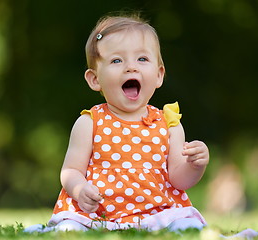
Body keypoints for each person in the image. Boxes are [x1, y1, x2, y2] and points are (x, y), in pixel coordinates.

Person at [26, 14, 210, 232]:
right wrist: (79, 189)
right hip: (95, 213)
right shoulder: (89, 122)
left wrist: (195, 165)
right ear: (95, 79)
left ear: (159, 75)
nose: (131, 67)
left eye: (142, 59)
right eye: (116, 60)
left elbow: (178, 179)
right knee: (69, 230)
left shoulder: (169, 124)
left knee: (187, 226)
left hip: (157, 212)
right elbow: (71, 170)